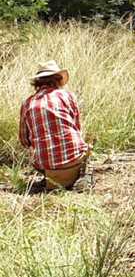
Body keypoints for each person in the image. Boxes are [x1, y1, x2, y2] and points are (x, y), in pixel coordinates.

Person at [18, 61, 91, 192]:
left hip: (46, 165)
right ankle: (80, 178)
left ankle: (49, 178)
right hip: (74, 160)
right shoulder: (67, 96)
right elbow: (77, 128)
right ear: (58, 80)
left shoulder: (27, 103)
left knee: (34, 152)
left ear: (37, 83)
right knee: (86, 147)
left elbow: (24, 141)